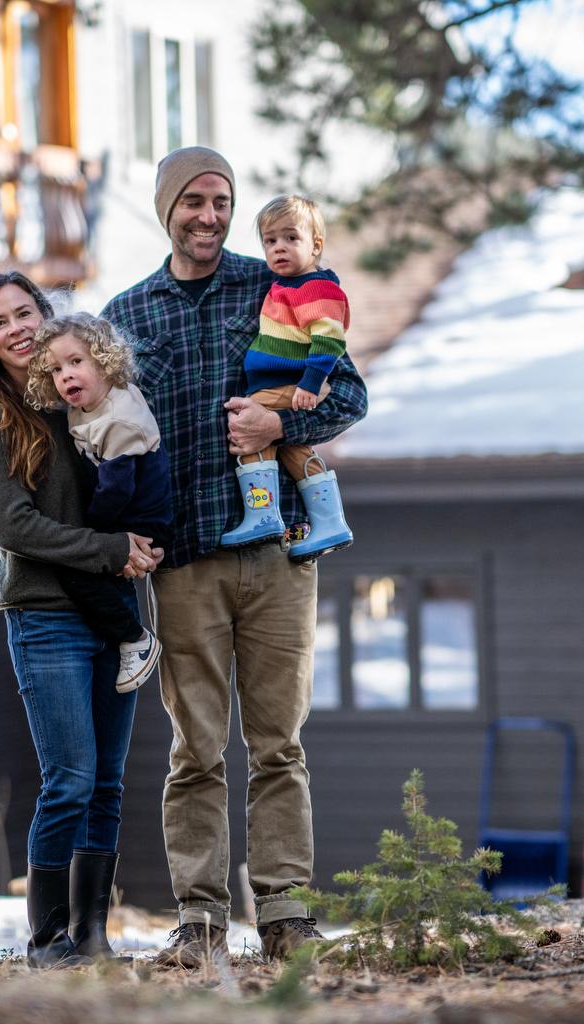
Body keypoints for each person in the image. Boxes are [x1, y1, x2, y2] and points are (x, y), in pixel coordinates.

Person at [100, 147, 368, 966]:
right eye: (194, 202)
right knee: (197, 751)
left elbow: (349, 394)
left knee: (280, 743)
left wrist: (280, 427)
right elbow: (99, 435)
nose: (209, 216)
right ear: (166, 210)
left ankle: (285, 914)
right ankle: (202, 920)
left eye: (221, 201)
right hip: (184, 563)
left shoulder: (277, 284)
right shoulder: (128, 314)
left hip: (281, 554)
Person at [0, 271, 163, 968]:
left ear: (47, 315)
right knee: (68, 779)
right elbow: (16, 527)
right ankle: (47, 941)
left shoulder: (79, 396)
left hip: (115, 613)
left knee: (107, 783)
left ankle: (93, 937)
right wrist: (111, 548)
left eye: (24, 312)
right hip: (46, 617)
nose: (15, 329)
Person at [25, 312, 174, 693]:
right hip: (124, 508)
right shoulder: (91, 403)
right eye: (56, 370)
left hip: (142, 517)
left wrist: (89, 536)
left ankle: (134, 639)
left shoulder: (119, 420)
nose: (66, 376)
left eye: (76, 362)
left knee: (77, 570)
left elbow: (116, 491)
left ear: (105, 361)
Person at [220, 193, 354, 561]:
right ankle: (330, 522)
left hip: (284, 385)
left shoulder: (317, 288)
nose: (279, 247)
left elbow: (329, 340)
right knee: (297, 453)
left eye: (291, 238)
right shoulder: (285, 285)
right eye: (270, 240)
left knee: (250, 434)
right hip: (278, 384)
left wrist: (310, 384)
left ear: (316, 245)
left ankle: (262, 513)